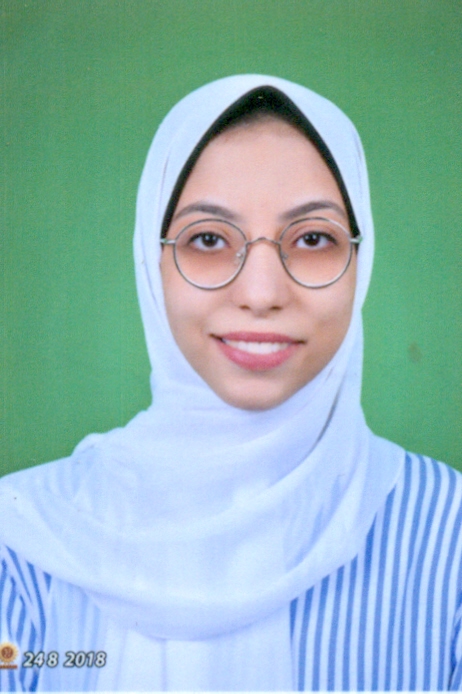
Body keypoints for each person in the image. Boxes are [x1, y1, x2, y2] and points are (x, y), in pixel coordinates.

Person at [0, 74, 461, 692]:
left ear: (363, 257)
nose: (262, 293)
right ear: (150, 262)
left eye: (314, 239)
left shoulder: (449, 537)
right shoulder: (24, 543)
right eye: (209, 239)